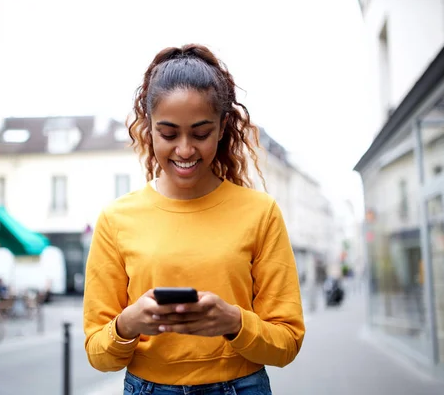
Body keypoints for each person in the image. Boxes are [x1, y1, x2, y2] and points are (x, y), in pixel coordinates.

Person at [83, 44, 305, 394]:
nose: (185, 150)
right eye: (168, 134)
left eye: (200, 133)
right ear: (148, 129)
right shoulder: (116, 219)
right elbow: (97, 352)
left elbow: (287, 342)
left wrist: (234, 323)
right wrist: (128, 324)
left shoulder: (261, 213)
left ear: (221, 128)